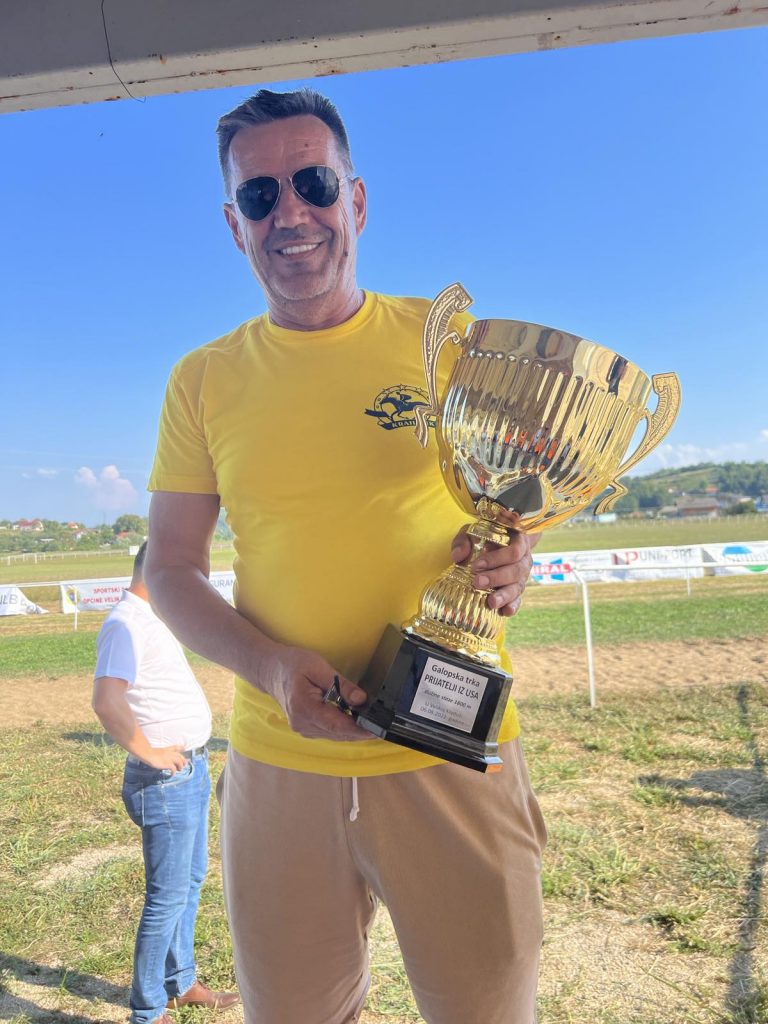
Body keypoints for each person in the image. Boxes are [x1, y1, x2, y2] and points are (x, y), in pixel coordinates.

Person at [145, 88, 546, 1024]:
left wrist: (517, 549)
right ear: (235, 225)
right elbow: (169, 567)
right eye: (260, 195)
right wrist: (271, 669)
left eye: (314, 184)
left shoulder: (450, 344)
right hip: (280, 761)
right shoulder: (201, 380)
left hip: (454, 749)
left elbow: (523, 495)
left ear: (356, 201)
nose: (290, 212)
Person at [92, 541, 239, 1024]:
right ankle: (148, 1010)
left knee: (189, 883)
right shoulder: (125, 624)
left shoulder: (150, 619)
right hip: (165, 780)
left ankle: (180, 983)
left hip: (187, 772)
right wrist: (151, 753)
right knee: (167, 897)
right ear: (156, 570)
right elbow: (107, 701)